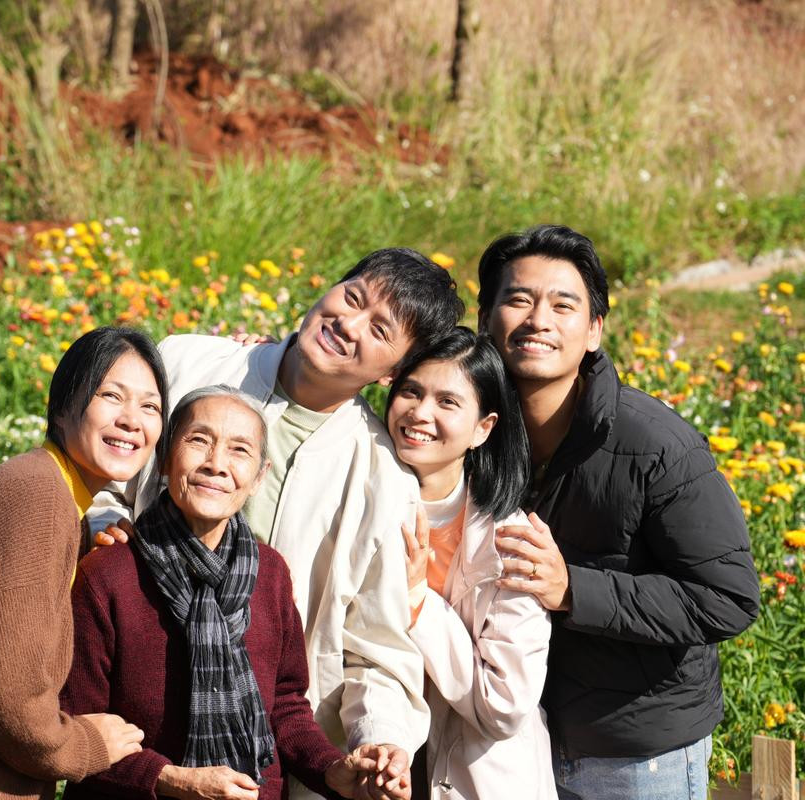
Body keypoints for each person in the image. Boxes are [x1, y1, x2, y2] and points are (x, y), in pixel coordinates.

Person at [92, 248, 464, 799]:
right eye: (352, 297)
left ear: (390, 372)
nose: (348, 323)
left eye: (379, 329)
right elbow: (98, 464)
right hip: (131, 707)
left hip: (268, 756)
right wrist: (102, 517)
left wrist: (381, 738)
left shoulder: (382, 475)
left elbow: (376, 643)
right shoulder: (185, 363)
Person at [477, 225, 760, 799]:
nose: (538, 319)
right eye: (518, 299)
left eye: (563, 305)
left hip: (633, 754)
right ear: (485, 318)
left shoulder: (656, 445)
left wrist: (572, 589)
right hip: (513, 745)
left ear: (593, 331)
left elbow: (728, 598)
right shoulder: (470, 429)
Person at [63, 386, 410, 800]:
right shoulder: (109, 574)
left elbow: (284, 706)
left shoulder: (271, 573)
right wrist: (171, 779)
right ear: (164, 459)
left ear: (259, 476)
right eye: (199, 441)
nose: (217, 464)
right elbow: (79, 725)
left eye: (239, 450)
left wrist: (332, 770)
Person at [0, 326, 169, 800]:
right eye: (111, 395)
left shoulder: (56, 497)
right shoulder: (37, 494)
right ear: (62, 407)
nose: (132, 420)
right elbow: (9, 692)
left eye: (150, 406)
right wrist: (86, 746)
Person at [386, 327, 555, 800]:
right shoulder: (367, 505)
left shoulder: (509, 540)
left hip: (479, 781)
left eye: (447, 402)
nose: (421, 413)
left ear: (484, 427)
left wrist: (421, 604)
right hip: (378, 762)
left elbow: (505, 704)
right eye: (411, 392)